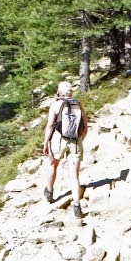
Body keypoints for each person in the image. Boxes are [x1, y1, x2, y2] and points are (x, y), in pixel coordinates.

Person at [42, 81, 88, 218]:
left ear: (59, 92)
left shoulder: (55, 104)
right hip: (75, 141)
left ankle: (49, 193)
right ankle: (77, 206)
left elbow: (50, 125)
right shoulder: (78, 105)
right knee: (74, 175)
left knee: (53, 165)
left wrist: (45, 143)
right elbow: (85, 128)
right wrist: (79, 141)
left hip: (58, 140)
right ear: (71, 93)